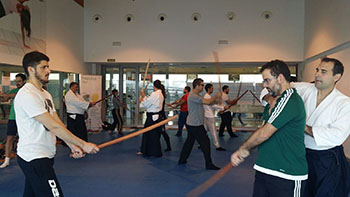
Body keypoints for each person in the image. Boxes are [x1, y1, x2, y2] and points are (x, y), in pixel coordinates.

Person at [14, 51, 99, 196]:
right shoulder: (27, 94)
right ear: (31, 70)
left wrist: (73, 145)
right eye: (44, 67)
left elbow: (56, 121)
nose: (48, 70)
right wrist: (84, 144)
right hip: (34, 157)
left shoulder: (45, 94)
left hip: (45, 154)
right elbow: (52, 126)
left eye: (48, 67)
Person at [231, 60, 308, 196]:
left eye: (267, 81)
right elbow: (263, 131)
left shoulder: (291, 100)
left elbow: (264, 134)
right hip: (265, 168)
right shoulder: (273, 102)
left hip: (287, 174)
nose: (265, 85)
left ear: (280, 78)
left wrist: (243, 149)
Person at [292, 57, 350, 197]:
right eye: (317, 70)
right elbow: (277, 87)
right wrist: (268, 98)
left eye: (323, 71)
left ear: (337, 77)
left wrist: (303, 126)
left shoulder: (344, 103)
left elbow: (337, 136)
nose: (317, 74)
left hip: (327, 160)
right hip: (301, 155)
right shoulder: (303, 89)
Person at [178, 78, 222, 170]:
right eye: (202, 85)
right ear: (197, 86)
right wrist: (217, 95)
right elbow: (208, 101)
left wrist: (217, 99)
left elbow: (208, 102)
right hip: (195, 124)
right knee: (205, 143)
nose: (203, 86)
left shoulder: (197, 95)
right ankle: (208, 164)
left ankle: (182, 159)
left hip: (193, 123)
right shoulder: (193, 96)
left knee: (189, 142)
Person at [0, 73, 26, 168]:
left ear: (24, 81)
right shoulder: (14, 90)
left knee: (25, 138)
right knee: (10, 138)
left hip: (24, 119)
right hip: (13, 118)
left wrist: (5, 94)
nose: (17, 83)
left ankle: (25, 158)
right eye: (16, 81)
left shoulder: (26, 91)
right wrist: (2, 95)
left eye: (19, 81)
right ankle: (6, 160)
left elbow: (15, 95)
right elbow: (5, 98)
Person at [138, 80, 164, 157]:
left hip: (152, 117)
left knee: (150, 134)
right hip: (156, 116)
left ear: (154, 86)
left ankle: (150, 152)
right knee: (153, 134)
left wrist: (141, 101)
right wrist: (144, 96)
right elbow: (150, 102)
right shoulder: (160, 94)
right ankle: (150, 151)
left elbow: (146, 104)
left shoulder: (155, 94)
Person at [203, 83, 229, 151]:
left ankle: (201, 144)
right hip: (209, 116)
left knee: (204, 131)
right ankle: (217, 146)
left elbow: (213, 104)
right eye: (212, 88)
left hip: (206, 115)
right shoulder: (207, 96)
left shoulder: (207, 96)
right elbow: (213, 105)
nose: (213, 89)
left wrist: (219, 106)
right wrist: (223, 107)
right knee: (213, 132)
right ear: (208, 89)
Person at [160, 84, 171, 152]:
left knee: (162, 131)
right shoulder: (162, 96)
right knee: (160, 132)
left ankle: (169, 146)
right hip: (161, 115)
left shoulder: (160, 96)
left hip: (161, 116)